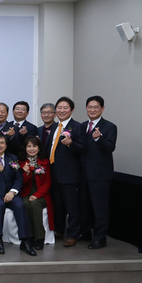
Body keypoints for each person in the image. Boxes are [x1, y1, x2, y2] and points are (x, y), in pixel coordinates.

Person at [0, 132, 36, 256]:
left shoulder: (13, 158)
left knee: (20, 205)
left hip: (10, 192)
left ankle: (24, 241)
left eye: (2, 143)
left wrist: (12, 192)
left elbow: (19, 178)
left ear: (6, 145)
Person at [79, 96, 117, 249]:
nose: (92, 110)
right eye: (90, 107)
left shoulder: (109, 127)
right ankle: (85, 232)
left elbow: (110, 147)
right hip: (83, 174)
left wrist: (99, 138)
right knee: (84, 206)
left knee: (100, 208)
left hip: (100, 175)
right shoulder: (82, 126)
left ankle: (100, 238)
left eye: (96, 107)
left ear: (102, 108)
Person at [50, 96, 84, 244]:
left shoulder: (77, 127)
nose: (62, 110)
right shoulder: (55, 126)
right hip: (53, 172)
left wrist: (71, 144)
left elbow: (83, 149)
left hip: (69, 174)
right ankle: (59, 230)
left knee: (72, 207)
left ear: (72, 110)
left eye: (65, 108)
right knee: (57, 204)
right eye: (59, 108)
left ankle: (73, 234)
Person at [19, 136, 54, 250]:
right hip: (25, 193)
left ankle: (40, 238)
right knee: (25, 204)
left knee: (35, 204)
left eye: (34, 146)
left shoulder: (45, 161)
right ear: (25, 148)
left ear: (39, 148)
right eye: (29, 146)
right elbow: (20, 183)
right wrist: (26, 173)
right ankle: (29, 237)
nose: (31, 149)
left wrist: (36, 195)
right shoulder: (21, 162)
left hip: (41, 194)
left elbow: (47, 183)